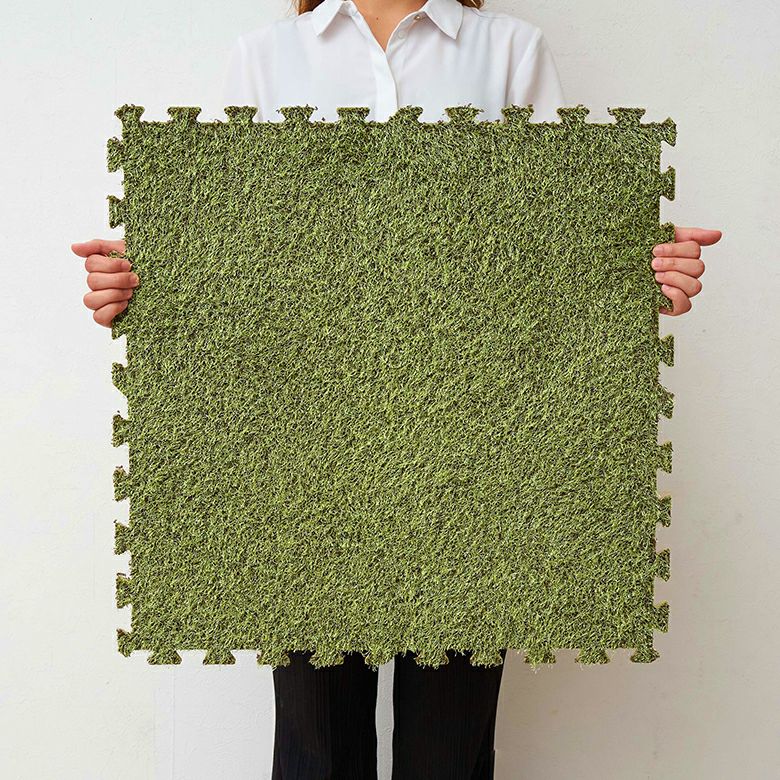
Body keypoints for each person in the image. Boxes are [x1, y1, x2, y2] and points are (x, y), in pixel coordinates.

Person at [71, 1, 723, 777]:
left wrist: (643, 273)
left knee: (449, 751)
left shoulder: (509, 50)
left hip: (471, 451)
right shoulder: (265, 56)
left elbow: (558, 240)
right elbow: (232, 248)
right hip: (305, 449)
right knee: (316, 749)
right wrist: (139, 286)